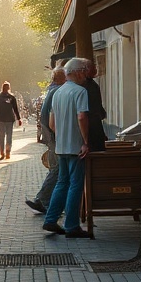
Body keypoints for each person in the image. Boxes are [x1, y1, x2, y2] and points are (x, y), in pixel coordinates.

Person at [42, 57, 92, 238]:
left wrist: (60, 137)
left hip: (61, 146)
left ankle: (50, 219)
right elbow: (81, 117)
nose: (86, 75)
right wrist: (85, 141)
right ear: (77, 72)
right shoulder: (80, 92)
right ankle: (71, 225)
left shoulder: (57, 93)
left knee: (61, 183)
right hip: (75, 146)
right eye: (84, 71)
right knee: (75, 185)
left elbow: (52, 123)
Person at [26, 66, 66, 214]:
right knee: (57, 169)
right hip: (53, 135)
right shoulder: (58, 91)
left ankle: (45, 200)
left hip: (49, 134)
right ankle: (42, 200)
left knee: (56, 168)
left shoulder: (51, 90)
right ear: (62, 78)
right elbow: (52, 118)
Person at [0, 82, 22, 159]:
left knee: (1, 136)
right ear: (9, 88)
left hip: (0, 119)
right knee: (9, 135)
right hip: (9, 119)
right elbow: (15, 109)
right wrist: (18, 119)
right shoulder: (12, 97)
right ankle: (8, 151)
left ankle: (2, 152)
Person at [82, 59, 108, 153]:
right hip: (92, 126)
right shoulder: (87, 86)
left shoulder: (90, 84)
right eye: (94, 67)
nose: (96, 69)